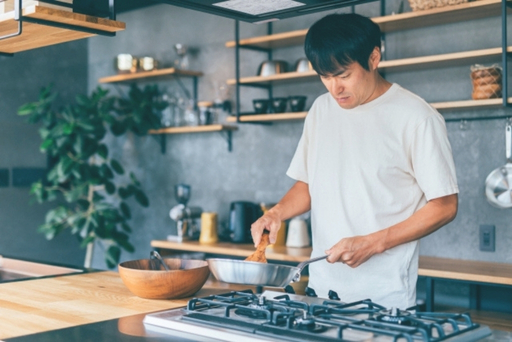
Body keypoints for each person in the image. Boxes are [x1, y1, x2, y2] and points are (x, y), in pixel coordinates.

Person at [250, 13, 459, 309]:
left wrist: (374, 242)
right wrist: (277, 213)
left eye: (344, 75)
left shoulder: (417, 118)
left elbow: (445, 205)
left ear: (374, 58)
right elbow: (309, 184)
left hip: (384, 301)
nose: (335, 88)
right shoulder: (321, 110)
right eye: (325, 76)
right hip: (321, 292)